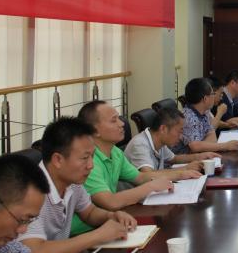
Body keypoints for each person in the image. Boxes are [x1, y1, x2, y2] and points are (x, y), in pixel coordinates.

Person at [20, 117, 139, 253]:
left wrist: (111, 216)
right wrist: (97, 236)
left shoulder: (72, 182)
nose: (91, 165)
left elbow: (89, 213)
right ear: (58, 160)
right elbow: (34, 252)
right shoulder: (30, 193)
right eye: (84, 158)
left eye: (92, 156)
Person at [71, 100, 192, 235]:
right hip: (81, 233)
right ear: (94, 130)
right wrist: (151, 186)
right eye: (113, 120)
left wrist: (181, 173)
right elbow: (110, 201)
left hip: (105, 224)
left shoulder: (115, 152)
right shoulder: (88, 162)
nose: (122, 123)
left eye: (119, 118)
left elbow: (140, 177)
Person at [125, 106, 213, 173]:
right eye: (179, 131)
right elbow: (149, 175)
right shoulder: (139, 144)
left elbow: (174, 158)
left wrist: (200, 157)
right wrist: (185, 169)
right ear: (163, 129)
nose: (181, 136)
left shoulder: (159, 141)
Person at [175, 78, 238, 155]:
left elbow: (212, 134)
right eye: (213, 94)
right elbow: (195, 147)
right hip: (184, 159)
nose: (214, 96)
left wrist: (203, 146)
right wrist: (225, 146)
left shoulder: (205, 111)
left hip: (200, 155)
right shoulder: (188, 117)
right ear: (205, 99)